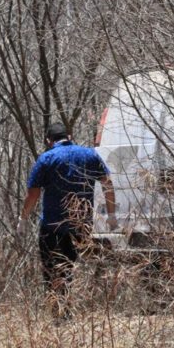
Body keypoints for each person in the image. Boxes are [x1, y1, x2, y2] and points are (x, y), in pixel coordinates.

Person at [17, 122, 118, 315]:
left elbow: (33, 194)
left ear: (49, 140)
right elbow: (108, 184)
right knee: (75, 267)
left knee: (52, 269)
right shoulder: (90, 155)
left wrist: (23, 218)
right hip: (81, 225)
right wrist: (111, 215)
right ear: (70, 136)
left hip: (52, 227)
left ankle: (60, 313)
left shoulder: (46, 159)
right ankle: (89, 308)